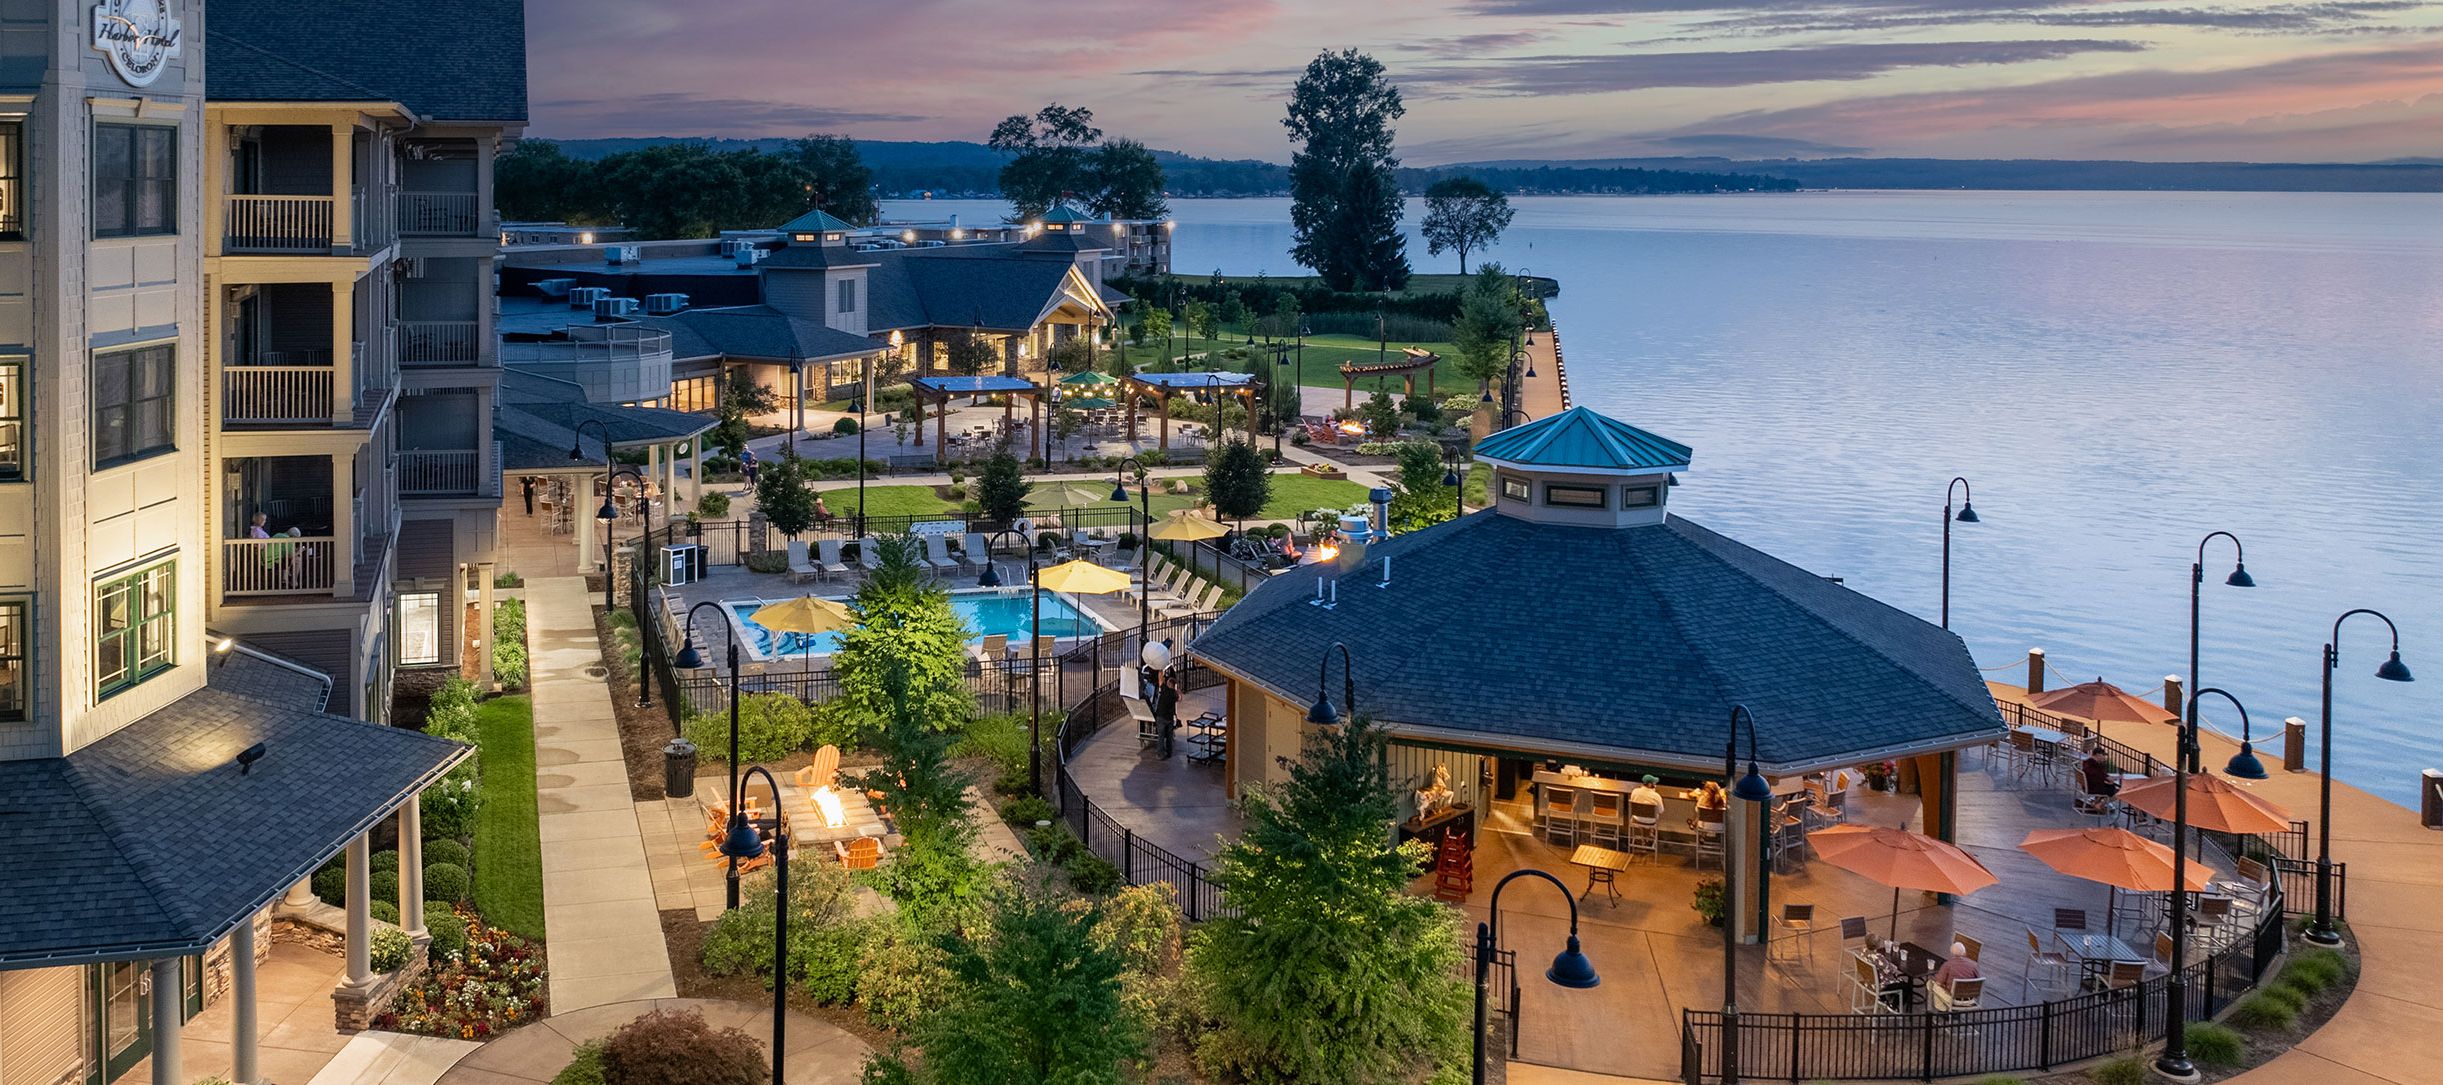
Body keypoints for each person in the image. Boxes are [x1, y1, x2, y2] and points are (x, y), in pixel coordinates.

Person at [1152, 669, 1180, 761]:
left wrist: (1160, 670)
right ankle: (1169, 752)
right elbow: (1180, 698)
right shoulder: (1174, 694)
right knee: (1169, 736)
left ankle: (1160, 754)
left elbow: (1160, 680)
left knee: (1161, 736)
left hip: (1161, 716)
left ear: (1169, 684)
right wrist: (1177, 690)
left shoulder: (1164, 690)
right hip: (1169, 718)